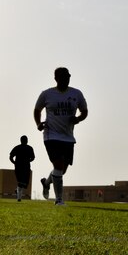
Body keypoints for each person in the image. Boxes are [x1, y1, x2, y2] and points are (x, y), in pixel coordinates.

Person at [34, 67, 88, 206]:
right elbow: (37, 109)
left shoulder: (76, 93)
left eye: (68, 76)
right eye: (63, 76)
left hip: (68, 137)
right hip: (51, 135)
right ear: (56, 78)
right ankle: (59, 200)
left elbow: (84, 111)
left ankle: (46, 183)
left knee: (61, 170)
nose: (66, 78)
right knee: (57, 165)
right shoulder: (47, 94)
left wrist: (78, 119)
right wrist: (39, 123)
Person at [9, 135, 36, 201]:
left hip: (19, 166)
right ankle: (19, 197)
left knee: (21, 182)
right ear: (27, 141)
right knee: (22, 182)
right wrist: (27, 161)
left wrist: (14, 162)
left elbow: (10, 157)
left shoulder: (17, 147)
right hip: (25, 167)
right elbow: (33, 158)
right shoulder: (29, 148)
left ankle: (18, 192)